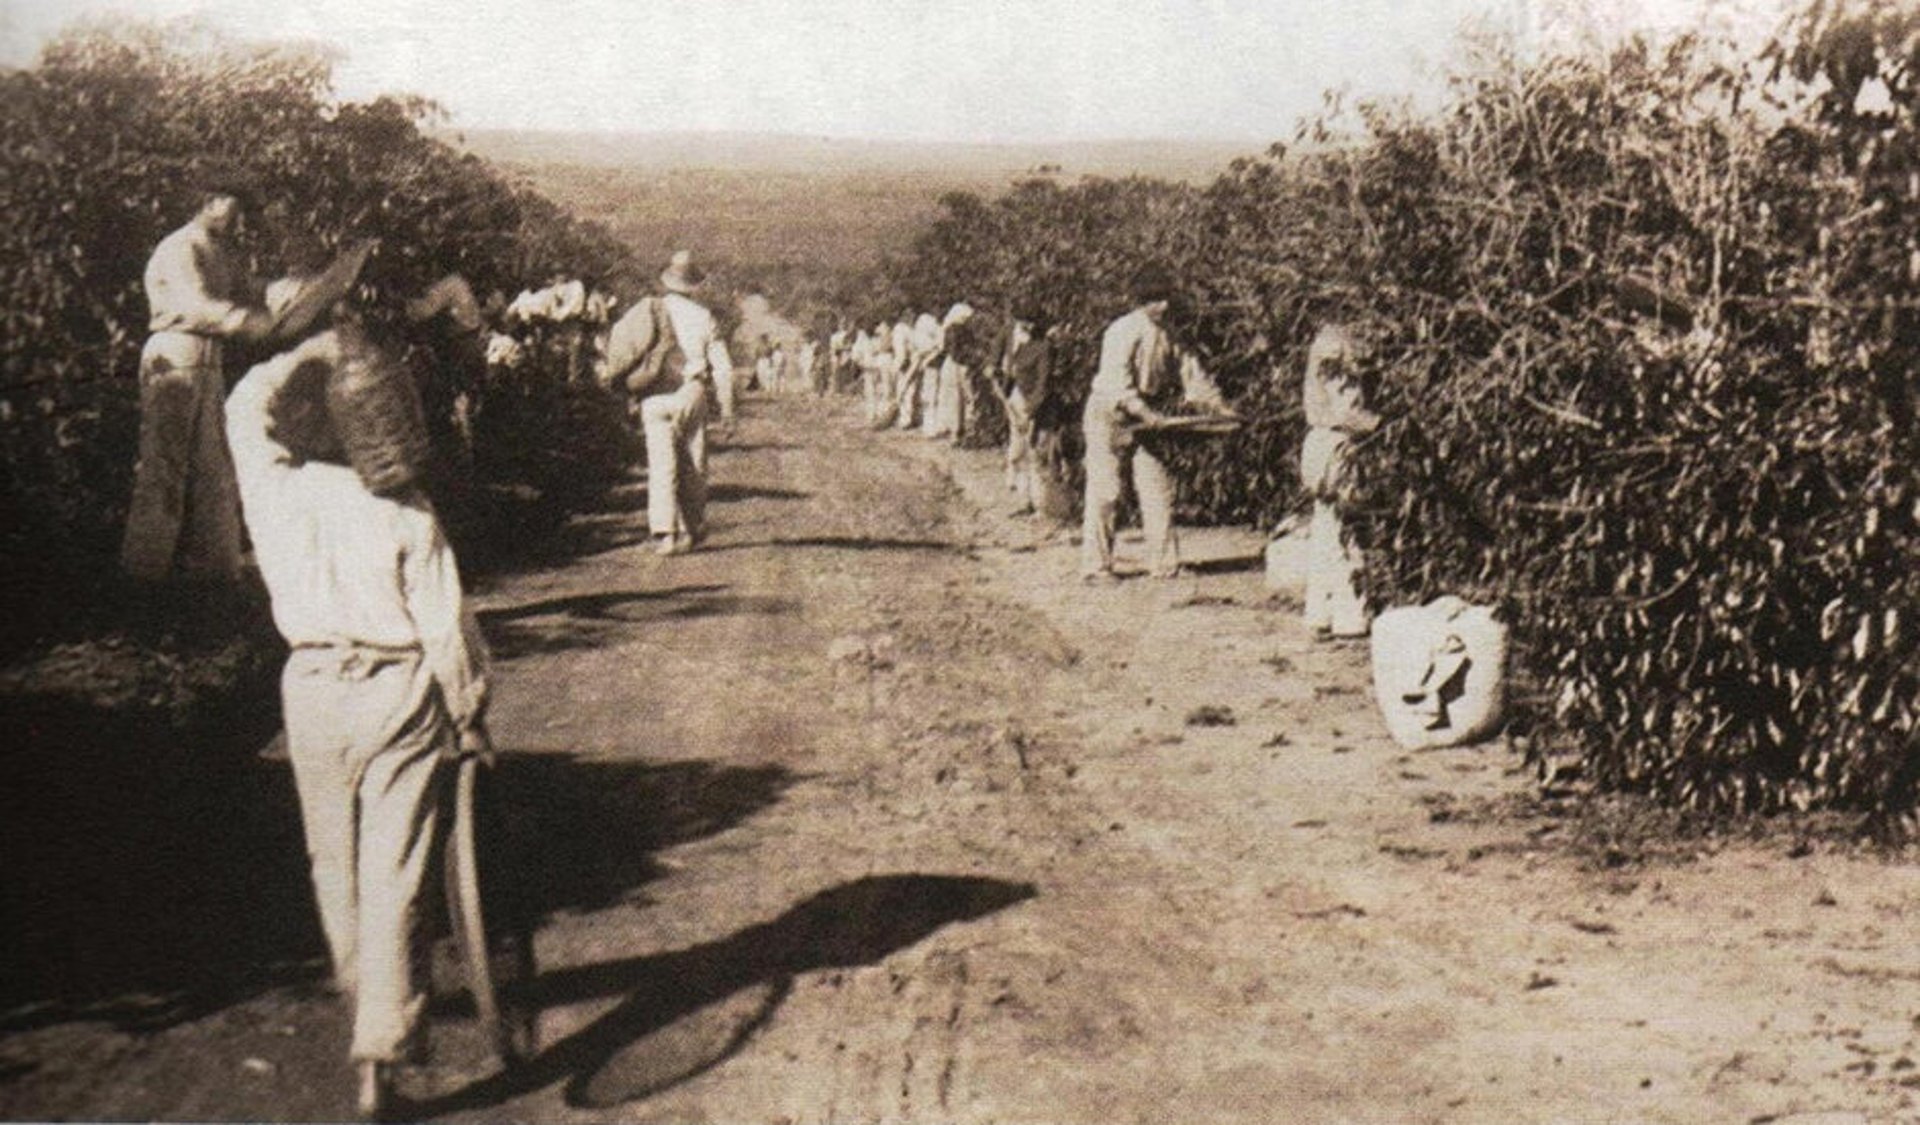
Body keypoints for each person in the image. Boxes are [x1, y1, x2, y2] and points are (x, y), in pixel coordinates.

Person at [225, 315, 491, 1119]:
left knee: (332, 865)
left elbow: (241, 407)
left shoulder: (276, 490)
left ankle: (364, 1008)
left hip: (310, 687)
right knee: (397, 871)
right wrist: (472, 716)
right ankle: (382, 1047)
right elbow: (447, 629)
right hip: (397, 690)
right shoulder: (407, 511)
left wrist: (300, 352)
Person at [120, 180, 280, 584]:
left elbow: (252, 290)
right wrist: (245, 320)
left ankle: (214, 577)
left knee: (213, 468)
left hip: (209, 362)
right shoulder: (180, 248)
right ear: (210, 203)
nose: (238, 217)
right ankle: (144, 576)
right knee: (164, 466)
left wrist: (291, 292)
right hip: (176, 356)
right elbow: (197, 305)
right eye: (233, 206)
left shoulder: (220, 251)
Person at [1079, 267, 1225, 582]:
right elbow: (1118, 385)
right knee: (1107, 490)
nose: (1163, 306)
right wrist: (1146, 414)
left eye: (1166, 299)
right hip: (1109, 413)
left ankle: (1164, 563)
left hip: (1147, 414)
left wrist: (1217, 406)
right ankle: (1096, 566)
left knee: (1157, 488)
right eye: (1155, 300)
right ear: (1141, 302)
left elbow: (1192, 373)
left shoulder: (1170, 332)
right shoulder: (1122, 331)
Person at [643, 252, 733, 555]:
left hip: (654, 394)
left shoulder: (649, 310)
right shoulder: (703, 316)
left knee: (660, 466)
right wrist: (727, 408)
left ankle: (665, 534)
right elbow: (722, 367)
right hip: (690, 391)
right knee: (694, 464)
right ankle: (693, 528)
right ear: (693, 284)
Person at [1301, 321, 1379, 638]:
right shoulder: (1336, 352)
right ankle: (1349, 617)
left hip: (1323, 442)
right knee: (1346, 531)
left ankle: (1320, 613)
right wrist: (1382, 424)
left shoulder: (1325, 343)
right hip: (1335, 444)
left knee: (1326, 528)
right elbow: (1347, 412)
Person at [992, 307, 1055, 516]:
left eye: (1029, 322)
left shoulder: (1044, 346)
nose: (1025, 326)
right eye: (1022, 322)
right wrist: (994, 373)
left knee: (1036, 454)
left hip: (1037, 406)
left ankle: (1041, 507)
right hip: (1016, 399)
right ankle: (1024, 500)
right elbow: (1009, 368)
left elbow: (1043, 384)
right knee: (1017, 453)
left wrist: (1029, 412)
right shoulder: (1017, 340)